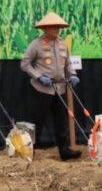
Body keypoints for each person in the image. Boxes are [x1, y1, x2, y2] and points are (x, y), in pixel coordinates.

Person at [20, 11, 82, 161]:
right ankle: (30, 151)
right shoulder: (36, 44)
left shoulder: (63, 43)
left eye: (58, 27)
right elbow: (25, 64)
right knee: (37, 121)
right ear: (45, 28)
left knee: (61, 121)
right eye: (53, 26)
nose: (56, 29)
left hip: (60, 88)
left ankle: (64, 151)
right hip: (41, 89)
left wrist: (72, 75)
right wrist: (39, 77)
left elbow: (68, 63)